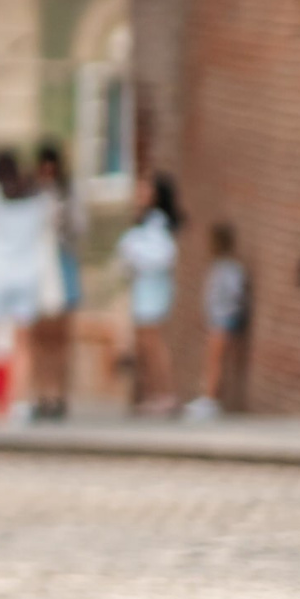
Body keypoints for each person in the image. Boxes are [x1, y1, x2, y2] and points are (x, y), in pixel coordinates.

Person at [0, 150, 62, 428]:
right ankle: (19, 403)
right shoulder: (38, 196)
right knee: (23, 343)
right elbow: (51, 226)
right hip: (26, 274)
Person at [116, 173, 182, 416]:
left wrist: (135, 254)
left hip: (154, 289)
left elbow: (164, 256)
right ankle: (153, 394)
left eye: (144, 191)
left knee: (155, 345)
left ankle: (166, 394)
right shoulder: (142, 221)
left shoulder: (158, 222)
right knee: (144, 345)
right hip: (142, 289)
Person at [29, 143, 80, 421]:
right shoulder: (30, 195)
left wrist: (63, 219)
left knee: (61, 338)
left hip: (62, 264)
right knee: (38, 337)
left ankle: (59, 393)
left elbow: (79, 228)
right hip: (38, 267)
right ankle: (40, 393)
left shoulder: (69, 194)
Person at [188, 223, 250, 420]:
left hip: (223, 319)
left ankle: (210, 400)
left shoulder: (229, 268)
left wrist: (225, 313)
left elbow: (235, 293)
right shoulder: (219, 266)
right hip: (217, 319)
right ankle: (210, 399)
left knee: (214, 361)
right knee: (213, 359)